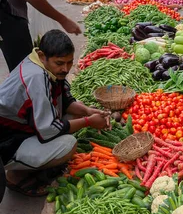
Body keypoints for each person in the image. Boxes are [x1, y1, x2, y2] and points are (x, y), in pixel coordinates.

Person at [0, 30, 111, 197]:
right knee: (68, 144)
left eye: (69, 63)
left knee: (77, 111)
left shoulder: (42, 65)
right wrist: (88, 121)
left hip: (26, 126)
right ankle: (16, 175)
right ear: (43, 56)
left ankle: (29, 164)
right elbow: (48, 131)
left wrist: (87, 111)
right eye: (60, 63)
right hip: (7, 142)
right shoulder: (36, 78)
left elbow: (65, 102)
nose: (65, 69)